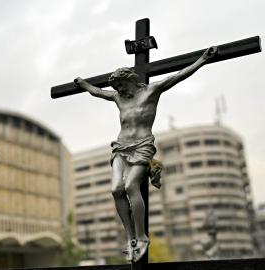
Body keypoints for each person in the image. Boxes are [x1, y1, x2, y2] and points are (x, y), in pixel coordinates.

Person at [74, 46, 217, 262]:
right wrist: (83, 84)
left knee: (131, 185)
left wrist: (202, 60)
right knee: (116, 189)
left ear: (130, 80)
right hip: (121, 147)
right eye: (117, 87)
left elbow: (178, 76)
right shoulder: (118, 98)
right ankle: (130, 237)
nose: (119, 89)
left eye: (121, 84)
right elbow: (98, 92)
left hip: (142, 146)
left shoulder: (151, 91)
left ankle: (142, 237)